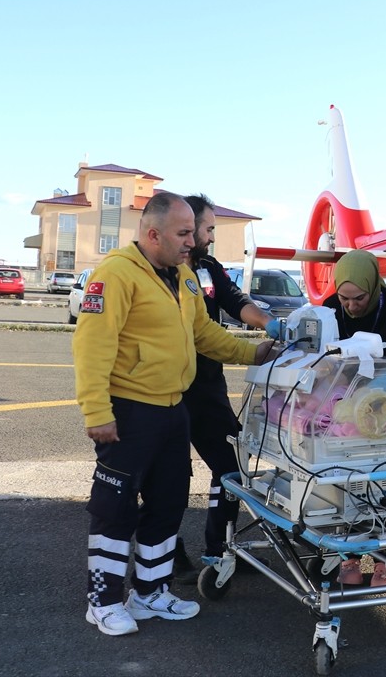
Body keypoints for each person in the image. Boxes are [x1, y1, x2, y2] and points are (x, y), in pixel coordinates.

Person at [74, 192, 275, 637]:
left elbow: (204, 334)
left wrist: (254, 352)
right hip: (129, 411)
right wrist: (97, 411)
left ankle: (149, 593)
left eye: (192, 232)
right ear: (153, 234)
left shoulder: (183, 276)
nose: (192, 241)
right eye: (184, 233)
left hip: (173, 408)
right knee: (114, 508)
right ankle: (103, 602)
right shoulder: (116, 274)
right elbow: (91, 348)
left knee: (168, 503)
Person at [172, 194, 276, 585]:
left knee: (230, 468)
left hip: (208, 389)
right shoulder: (160, 272)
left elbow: (235, 302)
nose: (211, 237)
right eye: (208, 228)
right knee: (171, 477)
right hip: (169, 390)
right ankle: (166, 553)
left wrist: (269, 323)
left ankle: (221, 550)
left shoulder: (209, 268)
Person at [321, 249, 386, 587]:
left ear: (373, 286)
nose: (351, 306)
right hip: (346, 402)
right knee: (345, 479)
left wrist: (374, 388)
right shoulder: (330, 307)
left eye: (359, 298)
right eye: (344, 298)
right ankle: (348, 556)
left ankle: (385, 559)